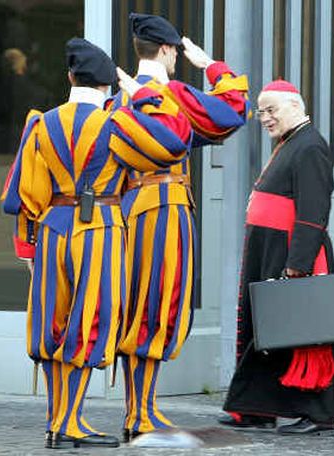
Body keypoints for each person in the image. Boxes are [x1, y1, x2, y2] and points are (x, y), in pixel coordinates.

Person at [1, 37, 191, 449]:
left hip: (52, 227)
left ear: (70, 77)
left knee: (53, 322)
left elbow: (21, 197)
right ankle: (70, 423)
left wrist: (28, 250)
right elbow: (174, 140)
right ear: (109, 84)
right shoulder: (117, 123)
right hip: (100, 227)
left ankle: (57, 423)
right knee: (90, 322)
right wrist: (141, 95)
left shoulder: (41, 122)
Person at [106, 13, 251, 441]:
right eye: (176, 52)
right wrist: (210, 64)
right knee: (157, 306)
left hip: (127, 209)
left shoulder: (120, 98)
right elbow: (232, 110)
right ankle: (142, 413)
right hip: (164, 208)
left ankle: (140, 410)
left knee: (135, 306)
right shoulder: (172, 93)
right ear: (168, 50)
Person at [220, 79, 334, 434]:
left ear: (295, 105)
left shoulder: (310, 146)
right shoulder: (290, 142)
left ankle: (320, 414)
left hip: (294, 253)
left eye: (271, 109)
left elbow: (313, 211)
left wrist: (298, 263)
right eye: (261, 111)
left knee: (308, 337)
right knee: (266, 333)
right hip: (270, 249)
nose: (265, 117)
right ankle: (257, 408)